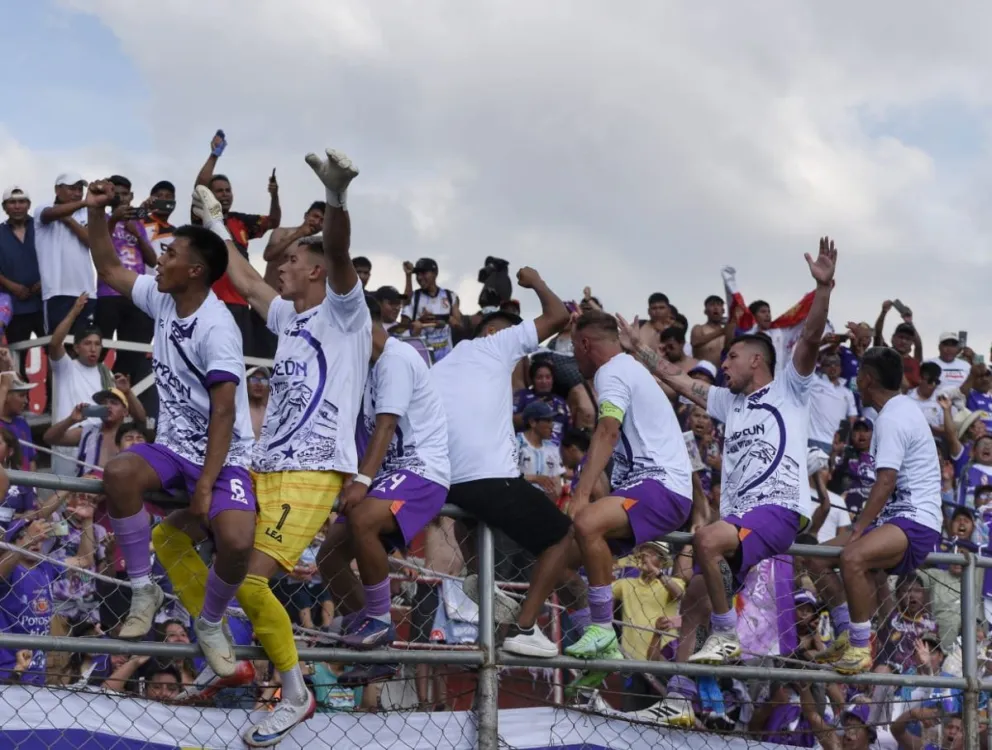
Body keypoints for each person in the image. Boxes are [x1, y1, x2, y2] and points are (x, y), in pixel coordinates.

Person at [174, 149, 367, 746]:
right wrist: (214, 224)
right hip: (262, 466)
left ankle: (295, 692)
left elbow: (338, 252)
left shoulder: (345, 312)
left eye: (292, 260)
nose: (280, 265)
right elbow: (243, 278)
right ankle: (219, 647)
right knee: (170, 536)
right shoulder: (287, 316)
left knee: (252, 583)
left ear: (316, 272)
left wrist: (335, 198)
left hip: (312, 474)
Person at [617, 237, 836, 727]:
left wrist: (823, 290)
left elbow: (810, 339)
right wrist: (637, 351)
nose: (724, 365)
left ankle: (726, 632)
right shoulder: (727, 402)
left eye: (731, 357)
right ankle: (679, 696)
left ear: (755, 360)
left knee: (704, 541)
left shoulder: (789, 388)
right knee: (692, 603)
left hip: (777, 510)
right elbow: (676, 377)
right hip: (740, 521)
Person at [82, 179, 256, 682]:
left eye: (171, 253)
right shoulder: (163, 298)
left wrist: (206, 484)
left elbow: (224, 413)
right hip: (174, 448)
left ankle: (210, 622)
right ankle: (143, 589)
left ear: (195, 270)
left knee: (236, 541)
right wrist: (96, 212)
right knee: (119, 473)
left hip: (225, 456)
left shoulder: (217, 328)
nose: (159, 258)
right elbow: (109, 268)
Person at [432, 266, 570, 658]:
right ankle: (526, 627)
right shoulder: (494, 345)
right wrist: (536, 282)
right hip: (490, 477)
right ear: (494, 332)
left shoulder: (440, 367)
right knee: (562, 537)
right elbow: (559, 315)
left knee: (472, 518)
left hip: (450, 482)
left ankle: (479, 575)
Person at [319, 294, 449, 684]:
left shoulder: (396, 357)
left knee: (361, 519)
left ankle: (378, 620)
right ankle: (375, 650)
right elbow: (359, 437)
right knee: (329, 556)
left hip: (422, 469)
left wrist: (361, 482)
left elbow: (386, 425)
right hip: (388, 475)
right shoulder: (365, 369)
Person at [565, 310, 695, 663]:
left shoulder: (613, 371)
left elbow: (607, 430)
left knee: (585, 521)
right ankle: (578, 637)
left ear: (585, 344)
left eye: (574, 346)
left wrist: (580, 495)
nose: (572, 356)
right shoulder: (628, 369)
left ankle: (602, 630)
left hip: (659, 486)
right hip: (649, 487)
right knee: (559, 555)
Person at [807, 346, 943, 675]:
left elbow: (886, 480)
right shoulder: (897, 408)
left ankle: (860, 646)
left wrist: (858, 528)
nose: (855, 381)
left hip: (916, 521)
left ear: (867, 379)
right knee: (814, 559)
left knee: (852, 557)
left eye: (858, 375)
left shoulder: (893, 418)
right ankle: (846, 632)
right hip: (893, 520)